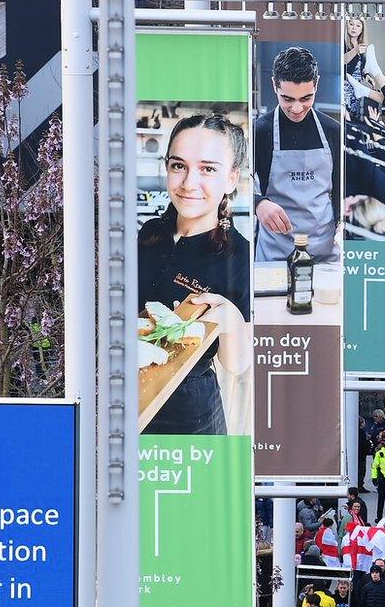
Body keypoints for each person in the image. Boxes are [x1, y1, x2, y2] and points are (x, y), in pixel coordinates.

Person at [138, 112, 252, 434]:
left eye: (207, 169)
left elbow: (237, 364)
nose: (189, 184)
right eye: (179, 166)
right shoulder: (148, 234)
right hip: (128, 405)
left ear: (231, 178)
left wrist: (228, 318)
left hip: (190, 422)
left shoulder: (239, 256)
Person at [253, 45, 345, 265]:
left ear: (317, 84)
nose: (296, 108)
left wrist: (343, 223)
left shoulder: (333, 130)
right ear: (274, 85)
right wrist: (258, 204)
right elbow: (235, 185)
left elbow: (342, 188)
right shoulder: (260, 131)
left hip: (325, 252)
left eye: (306, 98)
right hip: (275, 253)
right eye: (287, 99)